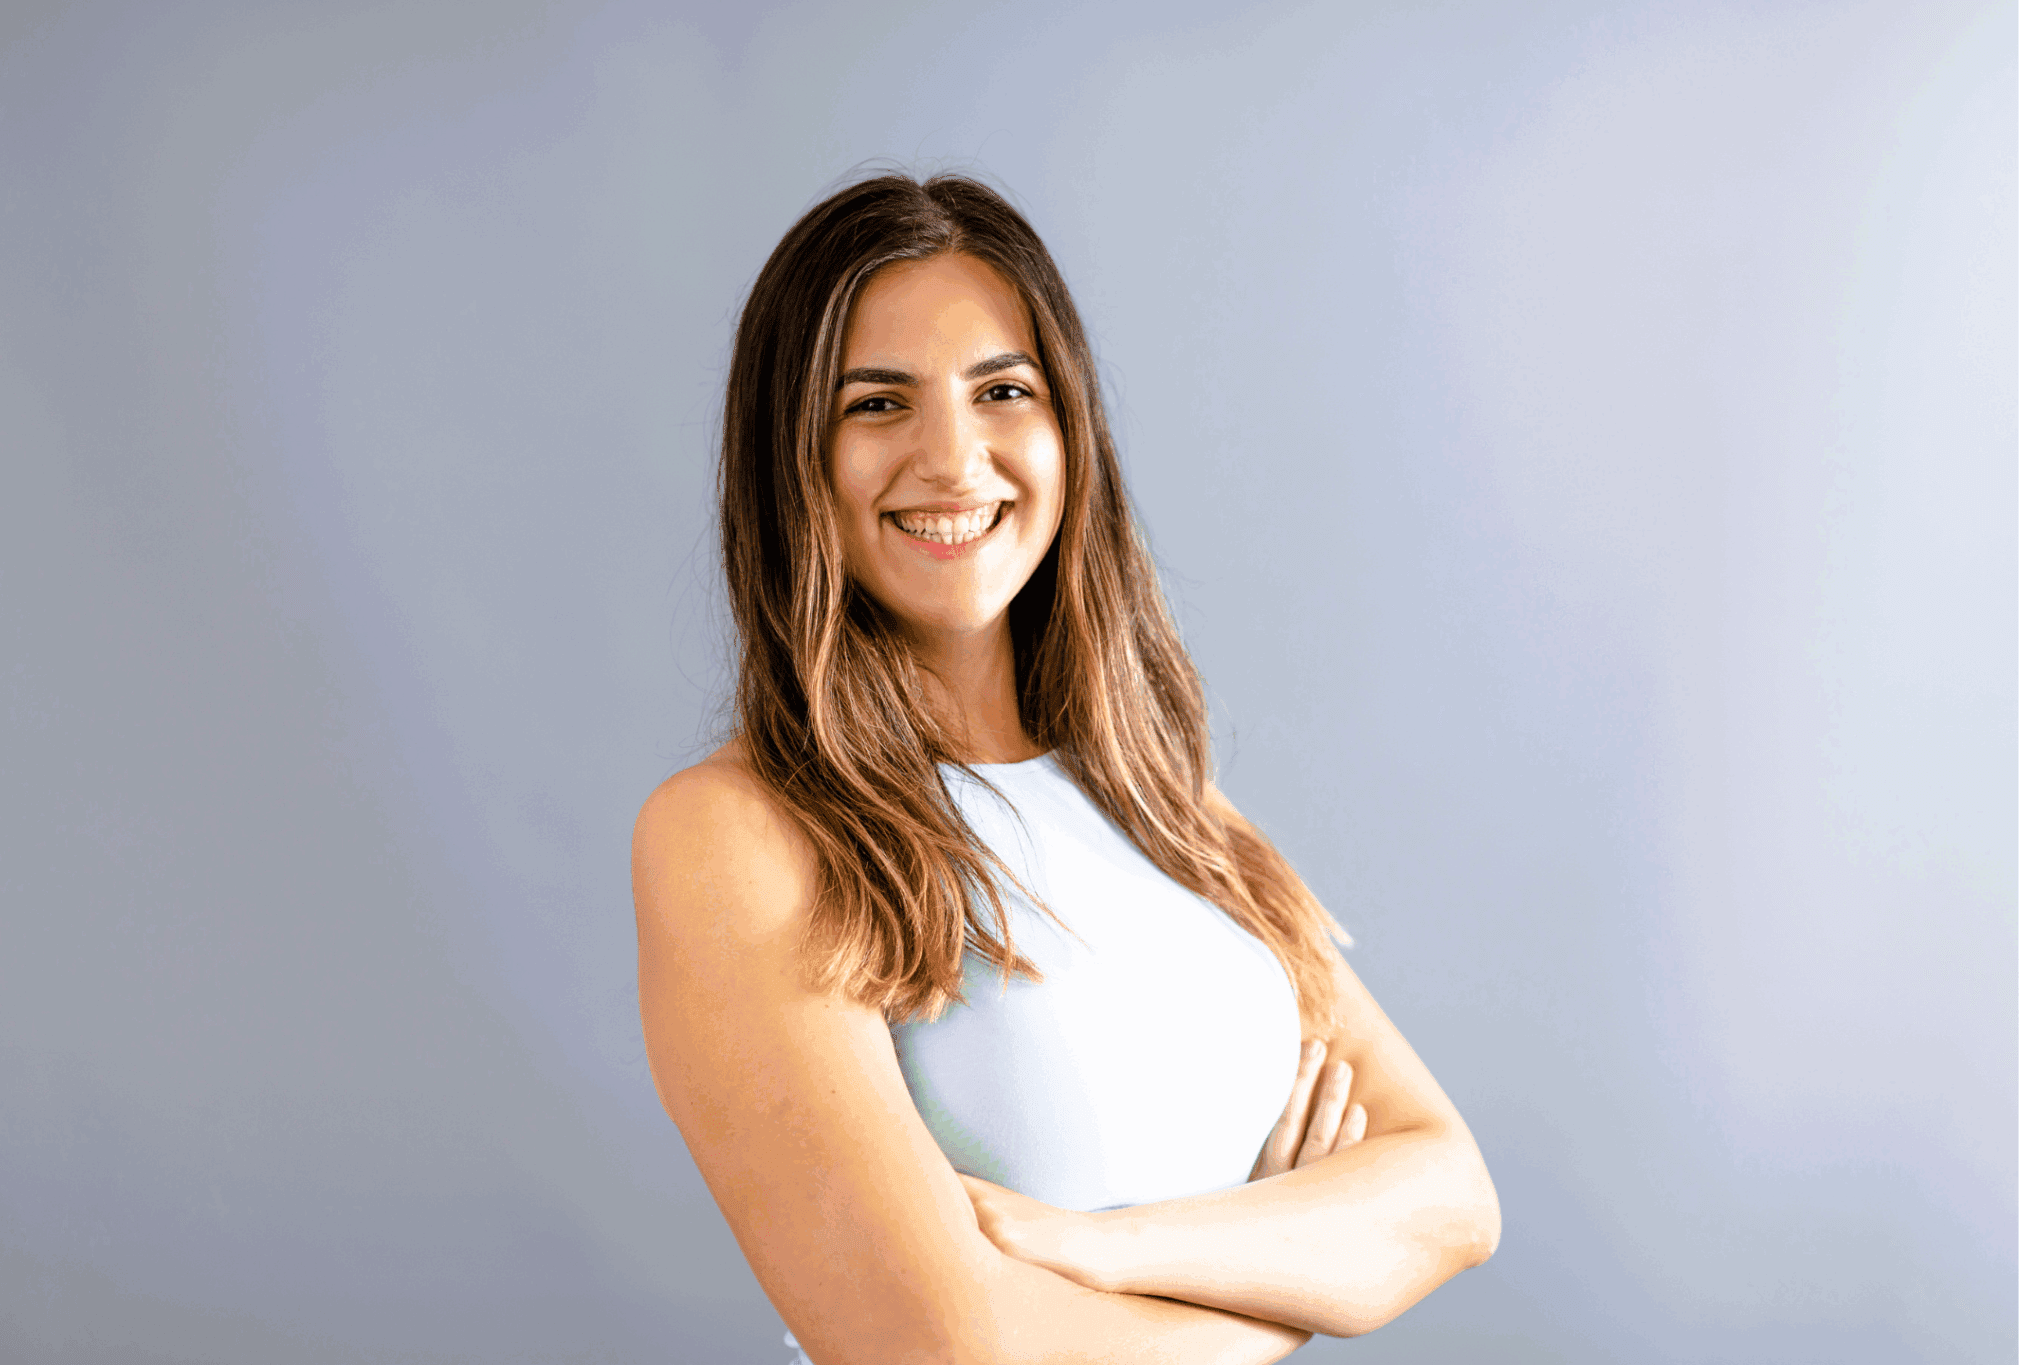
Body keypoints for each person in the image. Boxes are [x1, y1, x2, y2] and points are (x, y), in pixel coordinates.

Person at [632, 171, 1500, 1365]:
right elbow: (954, 1352)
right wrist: (1294, 1286)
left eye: (1002, 391)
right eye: (876, 404)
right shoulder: (735, 835)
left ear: (1069, 430)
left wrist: (1110, 1248)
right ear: (793, 461)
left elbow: (1448, 1196)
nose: (952, 458)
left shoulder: (1166, 808)